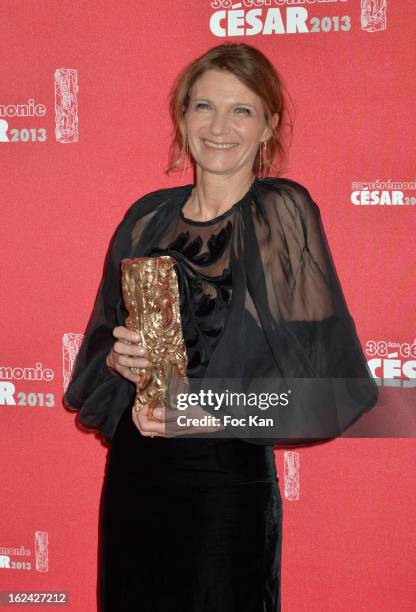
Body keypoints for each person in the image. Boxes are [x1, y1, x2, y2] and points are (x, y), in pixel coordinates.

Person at [63, 43, 378, 611]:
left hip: (223, 484)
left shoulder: (279, 216)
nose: (219, 126)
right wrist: (118, 359)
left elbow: (332, 389)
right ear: (182, 118)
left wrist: (211, 409)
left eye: (241, 109)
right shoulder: (145, 217)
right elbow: (98, 349)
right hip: (136, 477)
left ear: (268, 125)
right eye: (203, 106)